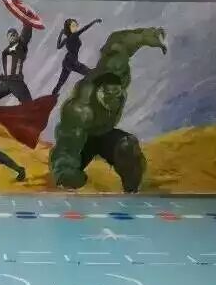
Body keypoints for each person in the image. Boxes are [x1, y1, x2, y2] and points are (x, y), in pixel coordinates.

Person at [50, 27, 167, 193]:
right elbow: (67, 145)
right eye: (108, 95)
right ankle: (68, 180)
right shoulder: (81, 109)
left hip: (104, 134)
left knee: (128, 147)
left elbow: (120, 43)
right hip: (82, 141)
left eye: (117, 94)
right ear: (98, 92)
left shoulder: (117, 71)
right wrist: (66, 174)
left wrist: (149, 37)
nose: (113, 100)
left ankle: (132, 190)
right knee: (68, 177)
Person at [0, 21, 34, 104]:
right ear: (8, 38)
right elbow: (7, 72)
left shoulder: (20, 44)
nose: (12, 36)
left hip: (17, 82)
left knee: (27, 102)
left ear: (17, 35)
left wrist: (27, 24)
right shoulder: (6, 51)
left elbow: (25, 36)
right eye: (10, 35)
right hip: (6, 82)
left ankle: (28, 108)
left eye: (14, 34)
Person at [52, 18, 102, 97]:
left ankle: (53, 95)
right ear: (69, 28)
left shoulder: (66, 39)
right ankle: (98, 88)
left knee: (61, 81)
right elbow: (85, 28)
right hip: (73, 63)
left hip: (67, 61)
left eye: (75, 25)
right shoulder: (74, 35)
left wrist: (61, 33)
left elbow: (58, 46)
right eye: (73, 26)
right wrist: (95, 21)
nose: (75, 27)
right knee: (89, 73)